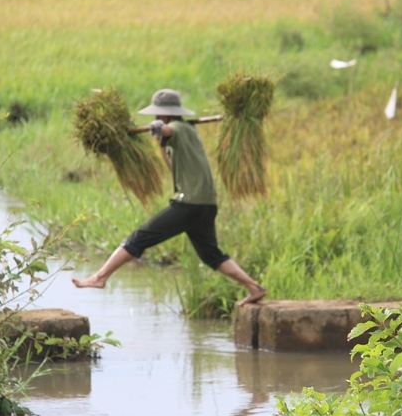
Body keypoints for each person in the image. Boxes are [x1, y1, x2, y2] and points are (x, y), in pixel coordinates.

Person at [72, 89, 267, 306]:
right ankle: (254, 288)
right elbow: (172, 165)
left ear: (165, 114)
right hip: (206, 204)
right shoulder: (188, 133)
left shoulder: (178, 128)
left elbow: (169, 129)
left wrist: (160, 128)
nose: (156, 117)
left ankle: (100, 277)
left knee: (138, 238)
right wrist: (161, 142)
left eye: (158, 115)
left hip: (189, 204)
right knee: (211, 255)